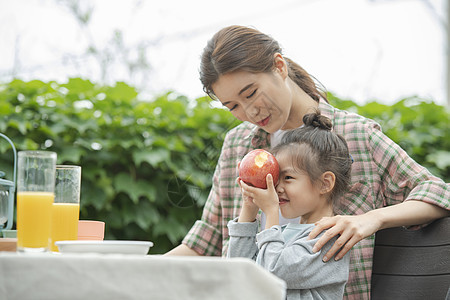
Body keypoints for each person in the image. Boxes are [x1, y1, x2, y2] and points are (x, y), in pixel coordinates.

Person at [165, 25, 450, 299]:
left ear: (279, 66)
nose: (249, 111)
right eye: (233, 107)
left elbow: (438, 193)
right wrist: (129, 272)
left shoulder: (355, 135)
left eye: (250, 93)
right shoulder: (238, 146)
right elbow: (207, 240)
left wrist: (370, 220)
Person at [227, 111, 351, 299]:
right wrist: (249, 208)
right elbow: (239, 271)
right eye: (278, 178)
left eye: (288, 178)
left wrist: (270, 212)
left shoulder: (329, 239)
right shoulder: (284, 233)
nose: (277, 187)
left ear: (325, 183)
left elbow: (273, 274)